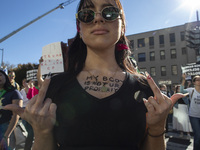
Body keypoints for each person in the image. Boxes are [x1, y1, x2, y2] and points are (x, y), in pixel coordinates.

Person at [3, 0, 187, 150]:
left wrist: (157, 127)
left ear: (122, 26)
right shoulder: (55, 87)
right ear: (79, 29)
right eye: (87, 14)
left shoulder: (145, 88)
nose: (98, 19)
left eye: (109, 12)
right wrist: (41, 131)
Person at [0, 70, 23, 150]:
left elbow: (16, 115)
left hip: (6, 128)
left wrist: (7, 135)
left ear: (5, 77)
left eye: (0, 75)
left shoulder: (14, 92)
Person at [180, 74, 200, 150]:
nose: (199, 81)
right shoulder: (191, 90)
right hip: (194, 116)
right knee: (198, 135)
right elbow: (181, 91)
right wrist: (183, 80)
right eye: (197, 80)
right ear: (194, 82)